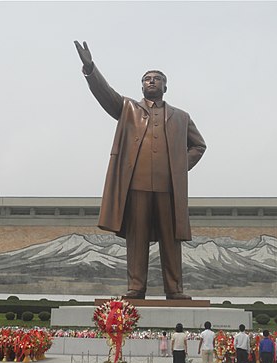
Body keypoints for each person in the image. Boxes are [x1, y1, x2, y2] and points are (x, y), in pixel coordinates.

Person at [74, 41, 207, 300]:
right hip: (136, 186)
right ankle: (136, 287)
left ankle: (174, 289)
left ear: (165, 87)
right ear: (142, 85)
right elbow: (105, 94)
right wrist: (90, 68)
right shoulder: (127, 109)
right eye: (147, 79)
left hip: (168, 188)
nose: (152, 82)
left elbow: (199, 146)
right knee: (137, 239)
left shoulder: (181, 116)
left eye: (157, 79)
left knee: (172, 240)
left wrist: (179, 168)